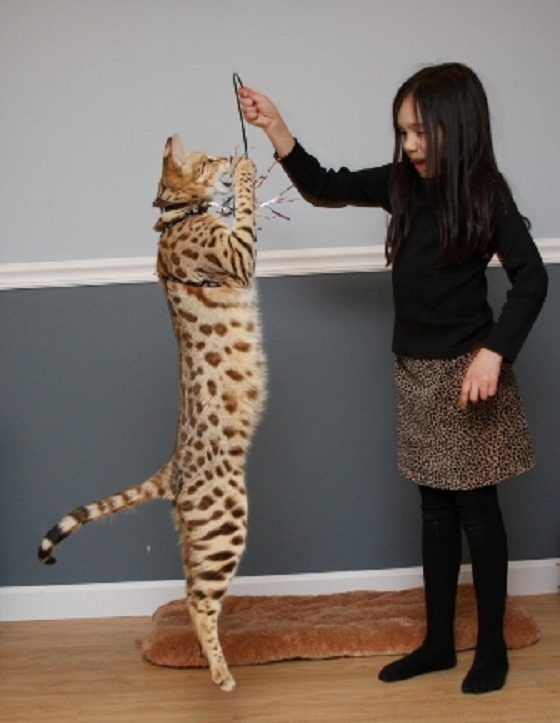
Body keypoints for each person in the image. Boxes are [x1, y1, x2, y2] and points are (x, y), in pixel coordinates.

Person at [239, 63, 548, 695]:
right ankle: (437, 643)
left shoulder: (488, 192)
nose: (408, 144)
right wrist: (277, 127)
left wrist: (495, 352)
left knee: (477, 514)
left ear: (455, 127)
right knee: (435, 511)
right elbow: (324, 186)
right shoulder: (402, 185)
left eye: (419, 132)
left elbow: (533, 278)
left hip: (470, 375)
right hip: (414, 368)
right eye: (402, 132)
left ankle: (491, 648)